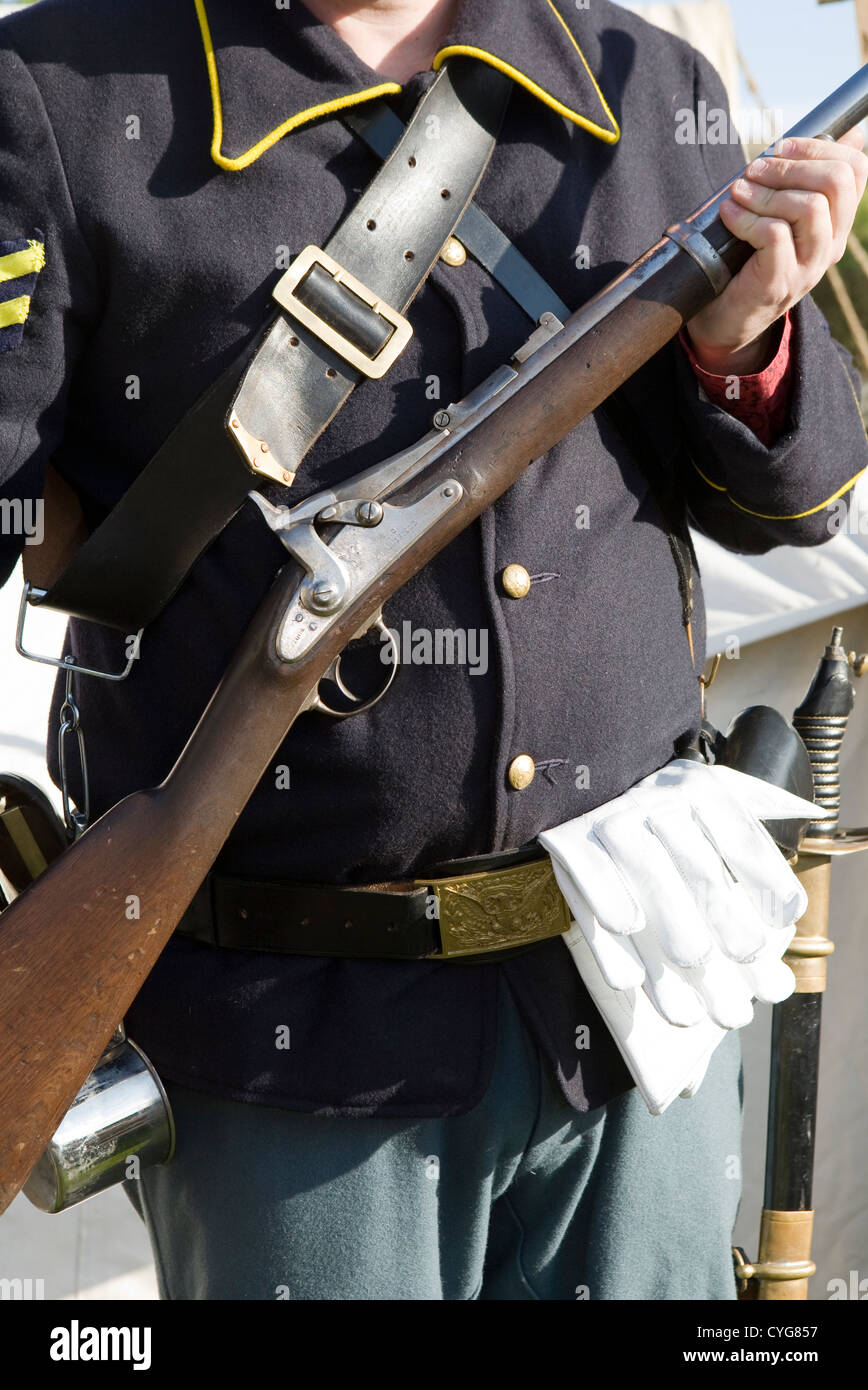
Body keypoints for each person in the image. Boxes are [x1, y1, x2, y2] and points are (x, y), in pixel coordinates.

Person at [1, 0, 866, 1301]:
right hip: (282, 1050)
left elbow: (800, 501)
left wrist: (746, 344)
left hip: (632, 1011)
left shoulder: (644, 82)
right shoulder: (60, 90)